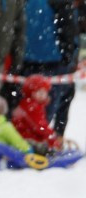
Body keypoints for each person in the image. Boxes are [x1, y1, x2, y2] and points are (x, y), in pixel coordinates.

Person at [20, 0, 78, 135]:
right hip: (52, 60)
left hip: (28, 59)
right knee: (50, 103)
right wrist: (68, 55)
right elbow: (68, 29)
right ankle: (47, 138)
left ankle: (32, 137)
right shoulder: (60, 3)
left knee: (28, 103)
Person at [11, 73, 63, 149]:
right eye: (39, 92)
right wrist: (52, 136)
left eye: (44, 92)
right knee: (46, 147)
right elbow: (40, 126)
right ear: (30, 92)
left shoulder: (30, 103)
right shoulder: (31, 106)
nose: (42, 95)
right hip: (25, 138)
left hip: (25, 136)